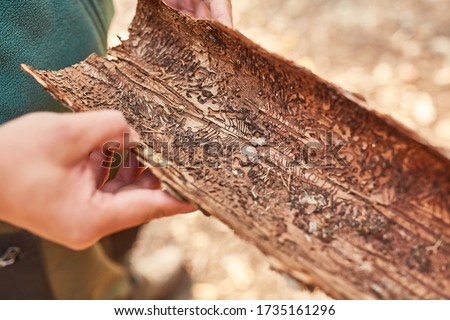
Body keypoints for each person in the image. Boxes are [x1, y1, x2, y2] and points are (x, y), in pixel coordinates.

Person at [0, 0, 232, 299]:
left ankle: (125, 282)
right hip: (22, 194)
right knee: (76, 289)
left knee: (119, 220)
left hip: (88, 104)